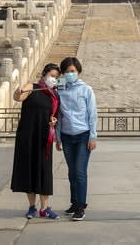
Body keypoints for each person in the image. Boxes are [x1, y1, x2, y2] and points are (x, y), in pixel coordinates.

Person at [11, 63, 61, 220]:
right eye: (52, 75)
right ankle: (32, 207)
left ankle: (45, 208)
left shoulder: (54, 95)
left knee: (44, 171)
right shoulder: (32, 87)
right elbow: (19, 97)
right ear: (44, 74)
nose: (54, 79)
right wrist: (17, 92)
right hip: (27, 135)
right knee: (28, 170)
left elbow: (56, 116)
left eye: (56, 77)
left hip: (44, 137)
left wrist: (54, 121)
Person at [55, 57, 97, 221]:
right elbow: (58, 114)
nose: (70, 74)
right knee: (72, 172)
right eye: (66, 72)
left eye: (72, 71)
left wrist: (93, 136)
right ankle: (74, 202)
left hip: (83, 135)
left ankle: (81, 206)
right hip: (66, 135)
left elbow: (92, 114)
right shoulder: (60, 89)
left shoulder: (87, 90)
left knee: (80, 172)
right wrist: (58, 137)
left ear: (78, 71)